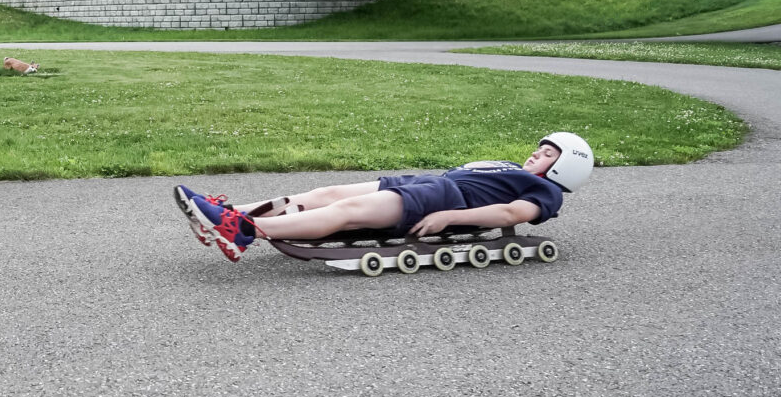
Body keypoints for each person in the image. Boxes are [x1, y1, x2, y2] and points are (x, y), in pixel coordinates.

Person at [175, 132, 593, 262]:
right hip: (427, 182)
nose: (537, 153)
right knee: (328, 191)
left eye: (548, 153)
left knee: (347, 211)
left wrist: (449, 217)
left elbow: (508, 211)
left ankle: (244, 230)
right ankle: (225, 210)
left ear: (563, 168)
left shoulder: (545, 191)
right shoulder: (514, 168)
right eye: (539, 147)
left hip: (443, 198)